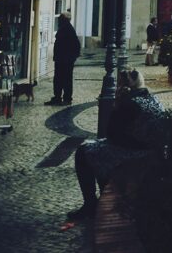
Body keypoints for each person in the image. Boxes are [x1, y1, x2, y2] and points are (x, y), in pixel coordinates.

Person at [67, 70, 165, 220]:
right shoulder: (154, 99)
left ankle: (91, 205)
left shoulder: (129, 104)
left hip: (135, 154)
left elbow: (112, 134)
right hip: (153, 152)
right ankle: (105, 199)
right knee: (100, 151)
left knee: (84, 153)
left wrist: (116, 104)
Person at [47, 11, 80, 106]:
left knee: (66, 79)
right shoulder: (63, 28)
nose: (58, 20)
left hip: (66, 60)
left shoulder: (69, 29)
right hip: (60, 59)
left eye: (60, 18)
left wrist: (71, 58)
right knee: (58, 79)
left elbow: (76, 45)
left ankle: (67, 99)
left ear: (65, 20)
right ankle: (57, 97)